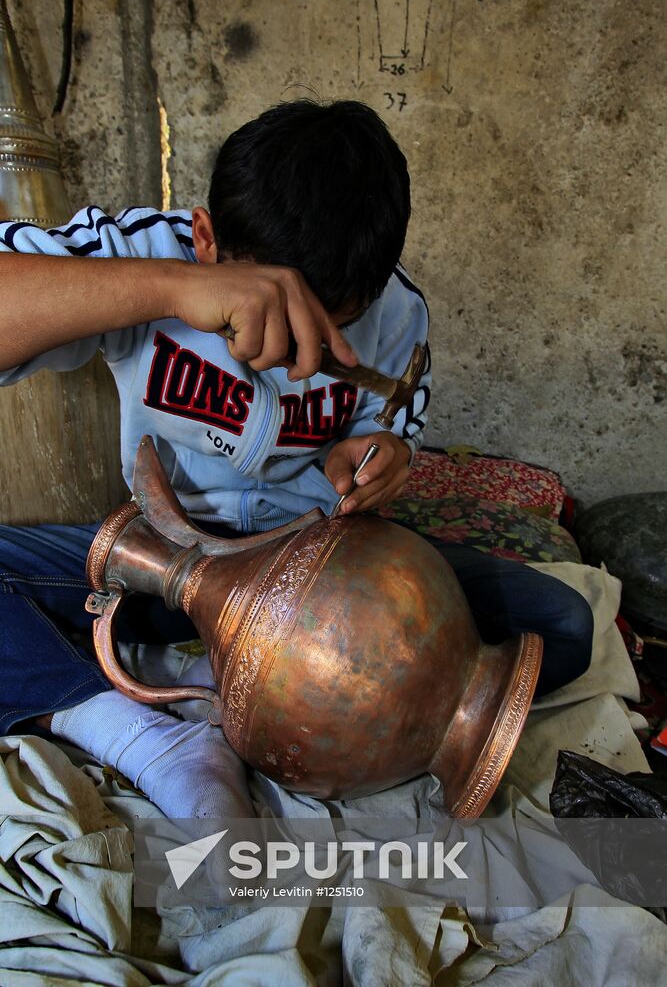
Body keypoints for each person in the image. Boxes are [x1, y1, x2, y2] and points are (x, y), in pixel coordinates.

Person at [0, 99, 592, 820]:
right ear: (206, 237)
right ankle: (149, 740)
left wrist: (379, 458)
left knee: (560, 624)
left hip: (323, 582)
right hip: (163, 565)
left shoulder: (397, 311)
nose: (292, 359)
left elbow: (386, 432)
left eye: (331, 329)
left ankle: (281, 698)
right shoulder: (142, 249)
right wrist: (174, 288)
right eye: (272, 316)